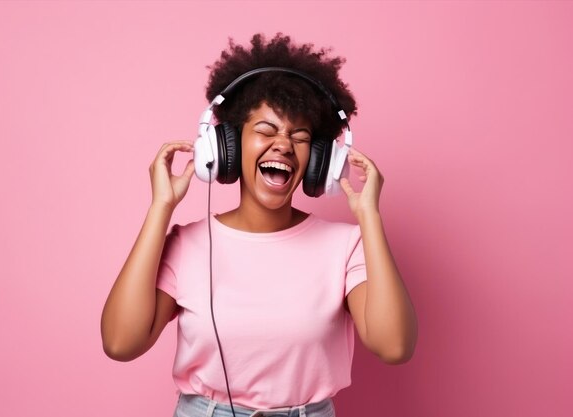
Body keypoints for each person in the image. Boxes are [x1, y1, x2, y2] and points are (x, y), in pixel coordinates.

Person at [101, 33, 418, 417]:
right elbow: (120, 343)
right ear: (227, 147)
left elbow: (395, 346)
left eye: (299, 138)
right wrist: (161, 208)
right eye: (266, 131)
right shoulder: (186, 244)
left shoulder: (346, 245)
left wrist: (370, 217)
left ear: (320, 162)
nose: (283, 144)